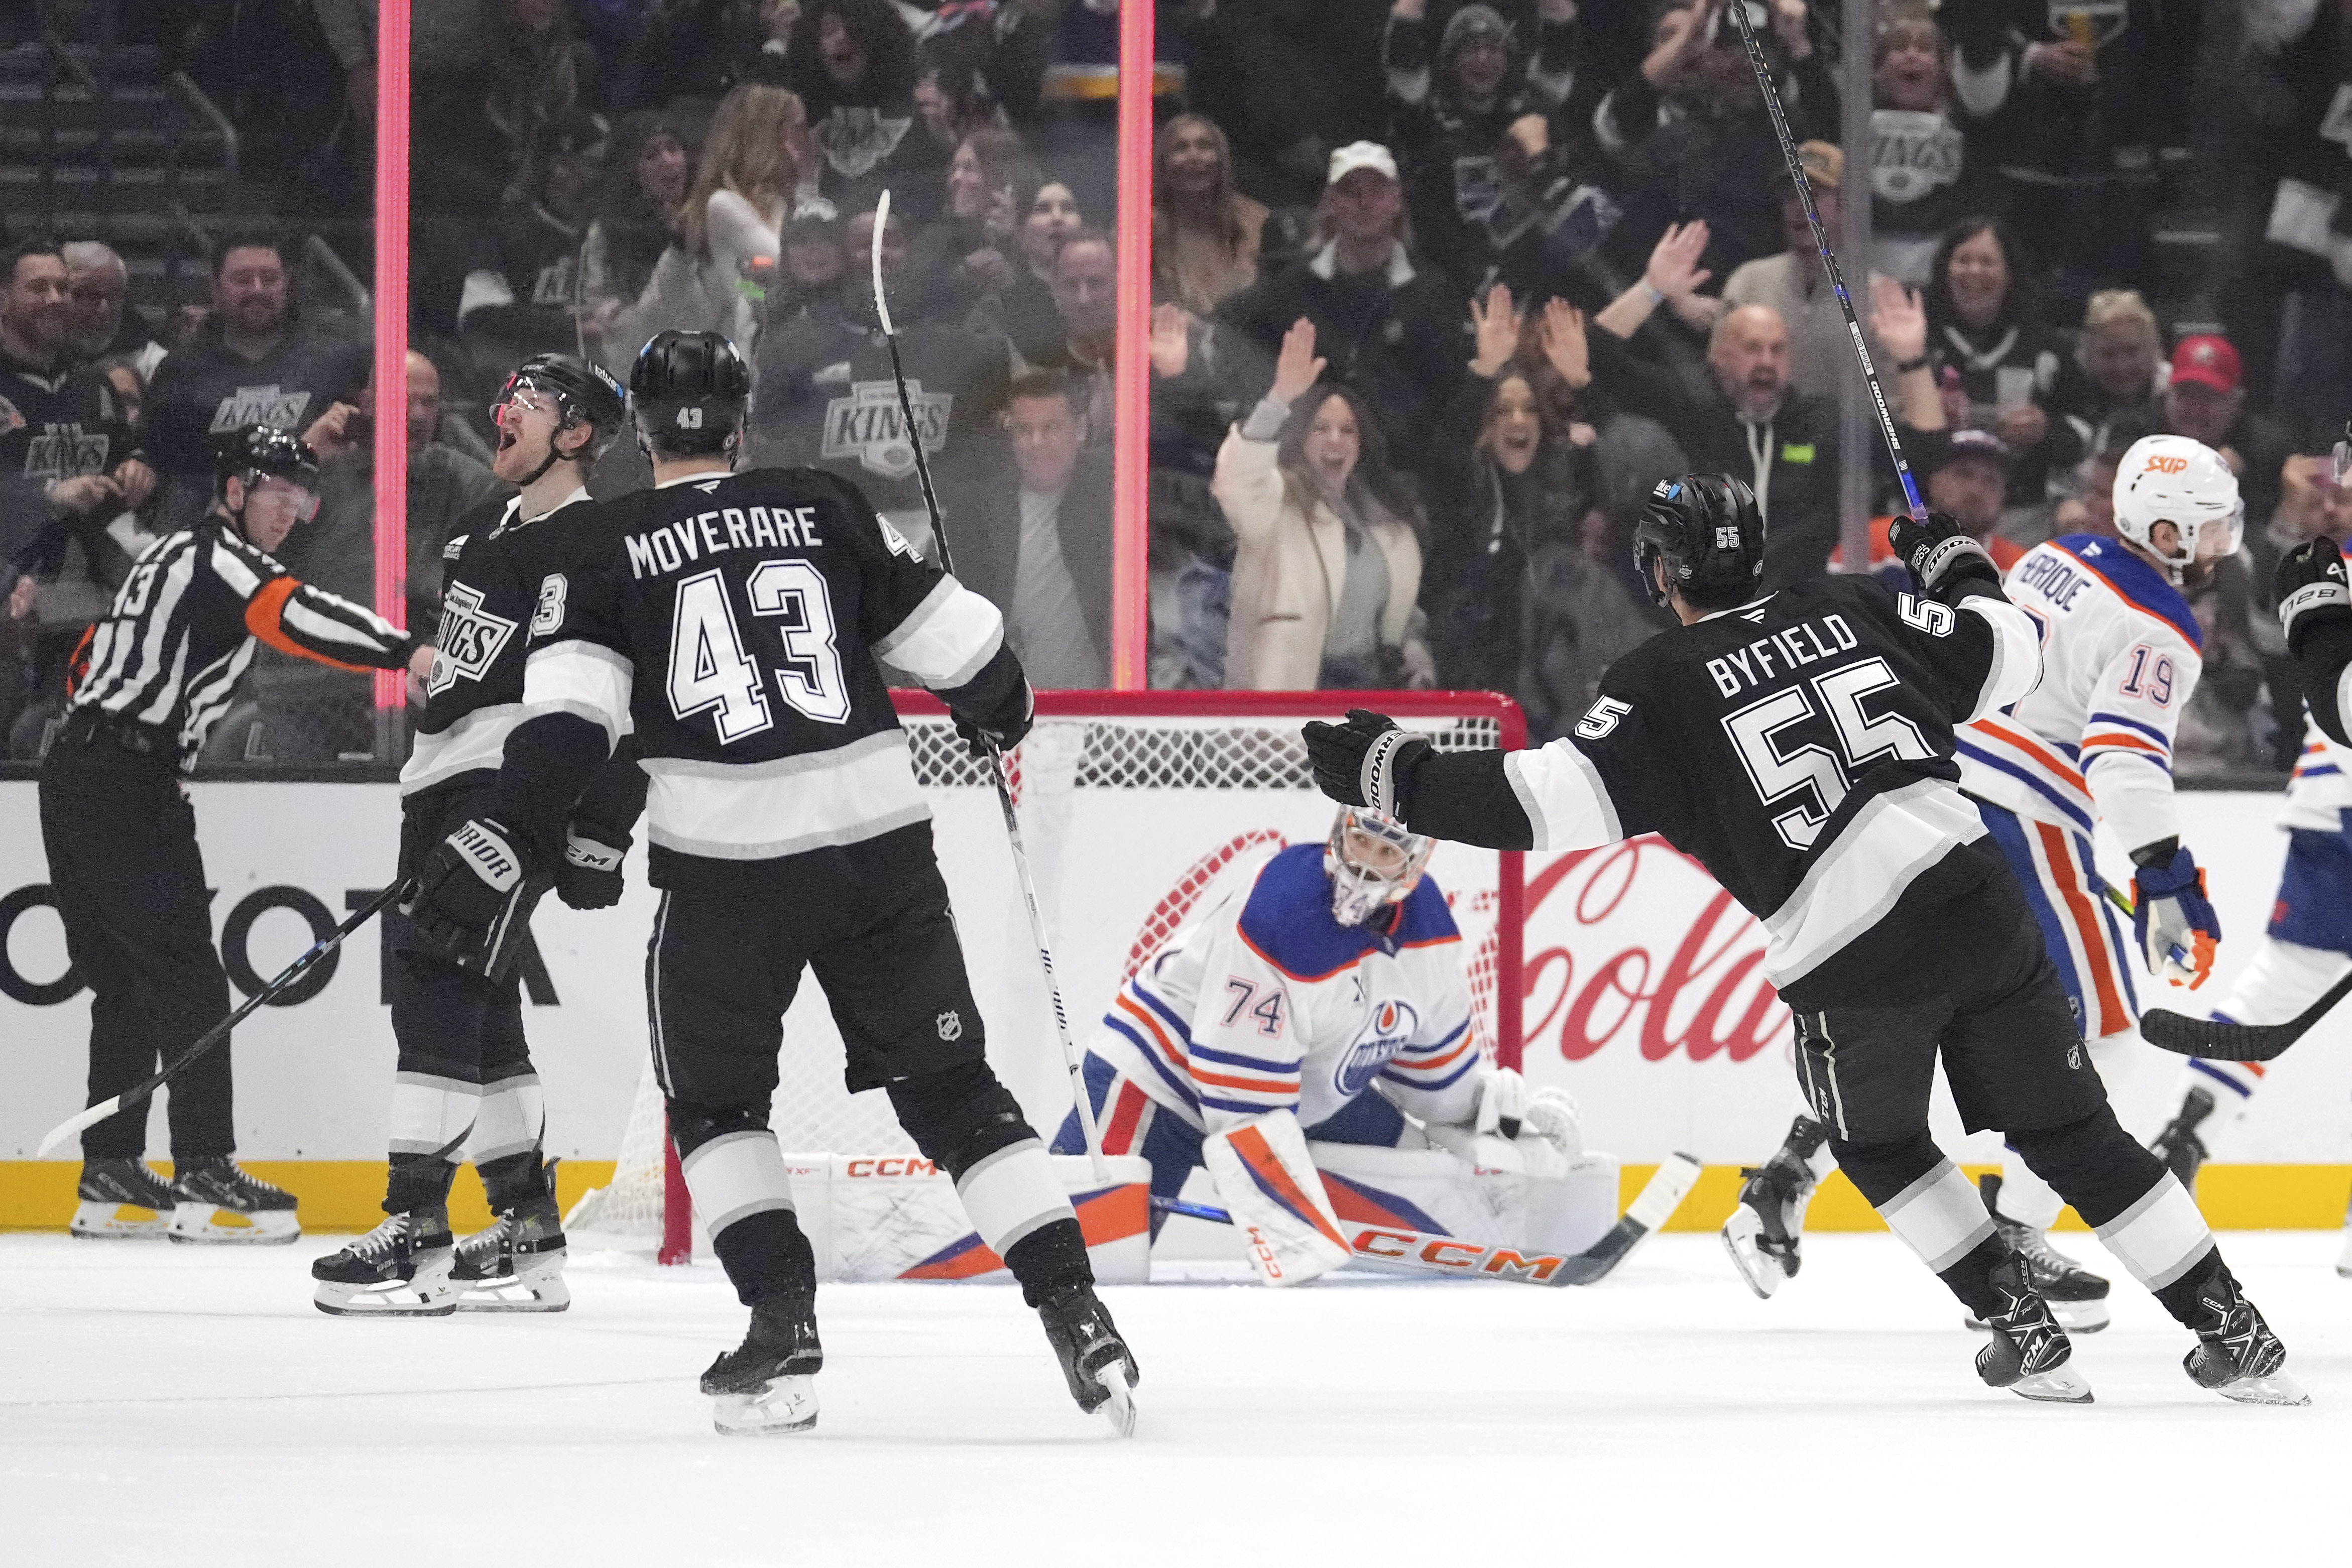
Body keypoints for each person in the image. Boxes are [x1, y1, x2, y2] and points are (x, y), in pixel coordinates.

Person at [1303, 474, 2305, 1407]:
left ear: (1657, 573)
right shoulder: (1850, 604)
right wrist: (1952, 564)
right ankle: (2235, 1332)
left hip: (1851, 960)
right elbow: (2012, 650)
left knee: (1875, 1141)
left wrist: (1400, 776)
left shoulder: (1656, 681)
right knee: (2073, 1131)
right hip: (1978, 901)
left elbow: (1543, 805)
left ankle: (2023, 1329)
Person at [396, 329, 1139, 1435]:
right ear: (738, 425)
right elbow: (979, 659)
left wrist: (504, 832)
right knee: (950, 1090)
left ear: (641, 431)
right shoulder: (822, 502)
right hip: (876, 849)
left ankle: (779, 1323)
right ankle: (1079, 1315)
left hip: (727, 874)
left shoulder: (597, 541)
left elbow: (567, 728)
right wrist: (997, 705)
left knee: (715, 1104)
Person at [1733, 434, 2242, 1330]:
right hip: (2023, 816)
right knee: (2111, 1034)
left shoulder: (2055, 554)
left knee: (1899, 1013)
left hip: (1935, 783)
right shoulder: (2160, 624)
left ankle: (1781, 1176)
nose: (2216, 546)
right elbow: (2121, 763)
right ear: (2162, 529)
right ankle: (2014, 1229)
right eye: (2205, 529)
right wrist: (2165, 873)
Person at [47, 425, 433, 1243]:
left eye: (301, 496)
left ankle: (111, 1174)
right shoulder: (222, 559)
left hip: (76, 770)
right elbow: (296, 616)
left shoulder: (168, 556)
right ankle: (204, 1172)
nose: (289, 509)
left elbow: (88, 660)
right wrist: (409, 651)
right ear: (233, 490)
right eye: (274, 491)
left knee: (123, 981)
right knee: (187, 975)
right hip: (126, 778)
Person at [310, 354, 634, 1315]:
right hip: (438, 780)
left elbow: (631, 698)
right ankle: (525, 1231)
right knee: (482, 1008)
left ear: (575, 434)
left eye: (526, 406)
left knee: (437, 977)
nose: (501, 414)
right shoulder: (478, 528)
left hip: (515, 790)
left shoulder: (600, 542)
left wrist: (597, 826)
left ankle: (413, 1226)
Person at [1049, 806, 1582, 1284]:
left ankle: (1513, 1220)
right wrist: (1288, 1222)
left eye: (1388, 850)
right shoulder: (1282, 914)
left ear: (1417, 860)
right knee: (1070, 1267)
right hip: (1157, 1081)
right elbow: (1239, 1098)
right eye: (1361, 842)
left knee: (1420, 1174)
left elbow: (1434, 1082)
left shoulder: (1429, 930)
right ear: (1340, 831)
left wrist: (1492, 1113)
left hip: (1298, 1092)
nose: (1367, 865)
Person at [746, 202, 1013, 556]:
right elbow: (768, 455)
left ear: (912, 255)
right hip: (833, 553)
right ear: (842, 258)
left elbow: (991, 462)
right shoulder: (792, 352)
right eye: (864, 244)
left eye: (892, 243)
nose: (879, 254)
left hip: (944, 560)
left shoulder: (962, 351)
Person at [1221, 142, 1468, 481]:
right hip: (1310, 478)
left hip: (1405, 481)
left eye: (1377, 191)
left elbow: (1452, 400)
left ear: (1396, 201)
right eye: (1351, 192)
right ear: (1331, 204)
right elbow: (1227, 332)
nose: (1365, 203)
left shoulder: (1433, 293)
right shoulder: (1293, 288)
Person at [1213, 318, 1435, 691]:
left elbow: (1403, 616)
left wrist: (1416, 659)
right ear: (1301, 436)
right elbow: (1237, 480)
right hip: (1288, 716)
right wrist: (1279, 399)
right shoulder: (1275, 504)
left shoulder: (1387, 525)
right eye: (1321, 428)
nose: (1336, 440)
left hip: (1371, 702)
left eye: (1348, 430)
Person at [1, 239, 158, 740]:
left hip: (84, 608)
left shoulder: (95, 386)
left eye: (63, 288)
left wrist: (136, 468)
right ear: (4, 299)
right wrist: (45, 495)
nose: (54, 299)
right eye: (38, 288)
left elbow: (122, 456)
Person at [139, 229, 371, 529]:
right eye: (242, 279)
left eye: (270, 278)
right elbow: (162, 472)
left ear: (289, 285)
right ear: (216, 288)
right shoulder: (180, 371)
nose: (257, 289)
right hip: (214, 537)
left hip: (314, 536)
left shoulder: (335, 361)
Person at [1382, 0, 1587, 288]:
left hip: (1534, 269)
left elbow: (1561, 26)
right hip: (1448, 275)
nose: (1483, 59)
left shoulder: (1533, 107)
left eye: (1494, 49)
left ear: (1509, 58)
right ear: (1451, 61)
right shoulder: (1428, 115)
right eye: (1469, 50)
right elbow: (1403, 53)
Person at [956, 371, 1111, 689]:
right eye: (1024, 431)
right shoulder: (981, 512)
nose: (1036, 443)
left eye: (1051, 428)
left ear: (1080, 430)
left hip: (1097, 711)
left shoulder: (1110, 495)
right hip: (1008, 710)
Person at [1924, 217, 2077, 511]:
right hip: (1925, 510)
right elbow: (1875, 420)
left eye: (1987, 262)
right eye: (1963, 260)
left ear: (2010, 274)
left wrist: (2045, 430)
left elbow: (2085, 429)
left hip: (2021, 512)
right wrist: (1923, 416)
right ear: (1944, 270)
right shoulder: (1914, 337)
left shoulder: (2046, 346)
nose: (1974, 271)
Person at [457, 109, 610, 369]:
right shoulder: (505, 233)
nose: (601, 177)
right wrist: (570, 328)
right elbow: (480, 316)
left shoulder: (610, 234)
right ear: (558, 168)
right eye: (592, 164)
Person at [1867, 6, 1997, 288]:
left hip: (1942, 281)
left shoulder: (1967, 126)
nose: (1911, 55)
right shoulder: (1853, 124)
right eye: (1899, 48)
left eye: (1925, 48)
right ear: (1879, 68)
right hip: (1868, 275)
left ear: (1943, 68)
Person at [1720, 141, 1857, 402]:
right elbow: (1722, 378)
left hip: (1842, 441)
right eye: (1791, 195)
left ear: (1846, 207)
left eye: (1813, 195)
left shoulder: (1877, 296)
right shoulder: (1748, 283)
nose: (1800, 207)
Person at [784, 0, 945, 219]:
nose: (842, 36)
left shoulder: (921, 108)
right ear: (813, 44)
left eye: (855, 27)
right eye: (829, 30)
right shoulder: (804, 118)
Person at [579, 108, 695, 368]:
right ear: (631, 169)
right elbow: (597, 308)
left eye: (673, 149)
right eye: (652, 155)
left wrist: (753, 287)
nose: (668, 161)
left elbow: (746, 289)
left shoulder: (712, 218)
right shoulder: (607, 234)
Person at [2158, 335, 2292, 547]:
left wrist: (2232, 485)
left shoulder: (2266, 449)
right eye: (2185, 395)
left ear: (2237, 400)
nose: (2194, 409)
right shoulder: (2140, 433)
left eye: (2208, 398)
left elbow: (2263, 534)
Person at [1152, 113, 1268, 318]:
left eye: (1205, 146)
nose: (1194, 157)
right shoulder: (1143, 232)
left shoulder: (1257, 220)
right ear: (1163, 164)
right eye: (1180, 148)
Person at [2053, 288, 2164, 487]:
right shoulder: (2068, 399)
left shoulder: (2176, 394)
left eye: (2132, 351)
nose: (2122, 367)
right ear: (2087, 357)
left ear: (2154, 349)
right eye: (2108, 354)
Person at [60, 240, 168, 379]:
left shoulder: (153, 363)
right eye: (88, 295)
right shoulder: (34, 356)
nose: (103, 310)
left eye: (114, 295)